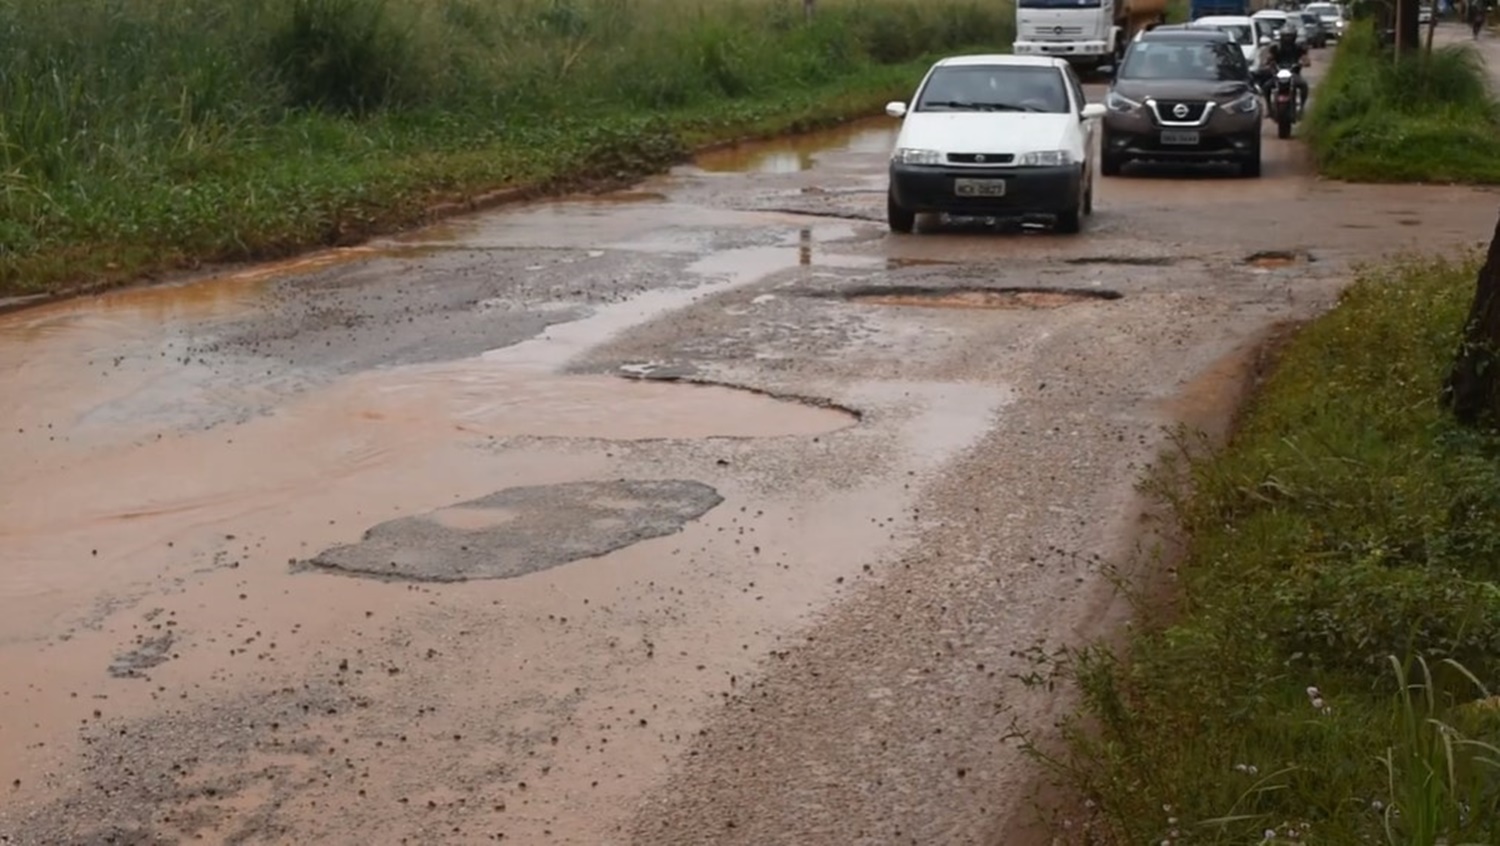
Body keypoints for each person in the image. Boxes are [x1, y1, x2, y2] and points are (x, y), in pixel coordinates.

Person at [1265, 28, 1310, 113]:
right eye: (1285, 36)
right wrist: (1268, 62)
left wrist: (1304, 62)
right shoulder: (1276, 48)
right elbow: (1269, 58)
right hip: (1278, 75)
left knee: (1304, 86)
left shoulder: (1298, 47)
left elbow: (1305, 58)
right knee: (1266, 87)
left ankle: (1302, 108)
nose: (1287, 39)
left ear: (1294, 37)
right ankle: (1269, 108)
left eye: (1289, 36)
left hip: (1293, 74)